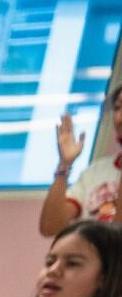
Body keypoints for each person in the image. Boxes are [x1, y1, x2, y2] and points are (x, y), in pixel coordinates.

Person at [41, 82, 122, 231]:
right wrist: (64, 164)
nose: (119, 116)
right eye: (117, 107)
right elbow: (50, 226)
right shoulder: (96, 171)